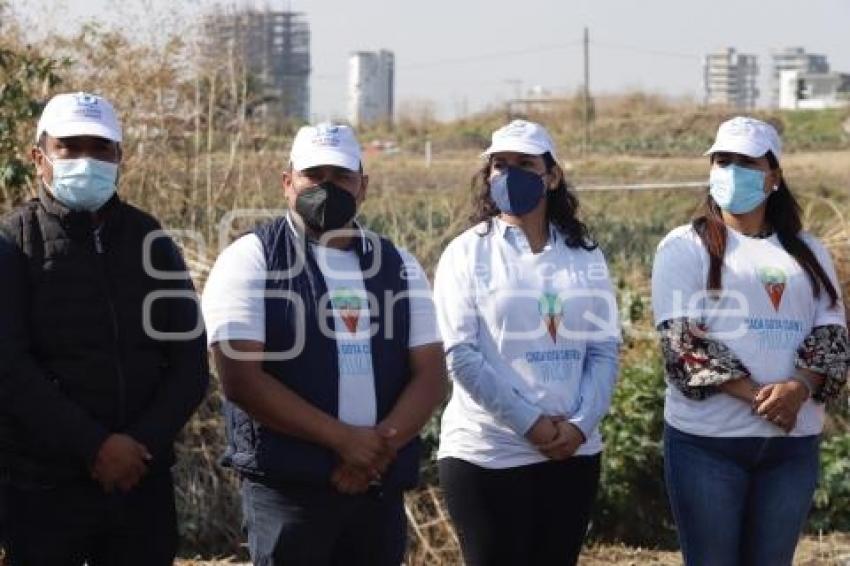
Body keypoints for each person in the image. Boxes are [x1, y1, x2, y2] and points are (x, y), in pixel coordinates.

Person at [202, 122, 447, 566]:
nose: (327, 188)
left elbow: (430, 373)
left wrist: (375, 451)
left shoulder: (397, 263)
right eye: (314, 176)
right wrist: (342, 441)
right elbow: (240, 377)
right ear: (287, 182)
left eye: (341, 178)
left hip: (376, 485)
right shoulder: (251, 257)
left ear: (363, 186)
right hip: (289, 493)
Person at [0, 91, 210, 565]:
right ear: (39, 157)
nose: (86, 160)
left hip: (141, 480)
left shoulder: (150, 240)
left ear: (120, 158)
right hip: (43, 486)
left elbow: (189, 361)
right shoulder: (14, 243)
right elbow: (10, 369)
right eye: (69, 147)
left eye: (100, 148)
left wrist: (139, 447)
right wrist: (95, 446)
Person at [651, 116, 849, 566]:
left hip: (791, 443)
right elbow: (682, 342)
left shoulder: (808, 250)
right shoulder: (683, 246)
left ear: (774, 176)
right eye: (723, 160)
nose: (731, 170)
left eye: (746, 161)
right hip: (708, 444)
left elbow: (833, 332)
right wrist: (765, 398)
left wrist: (797, 389)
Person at [433, 119, 621, 566]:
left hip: (571, 453)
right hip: (488, 453)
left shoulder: (585, 254)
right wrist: (531, 424)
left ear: (552, 176)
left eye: (525, 164)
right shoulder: (466, 253)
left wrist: (579, 425)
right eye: (500, 165)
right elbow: (461, 355)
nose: (510, 174)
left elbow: (603, 349)